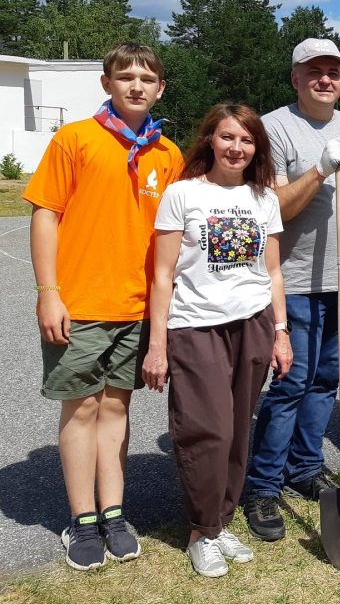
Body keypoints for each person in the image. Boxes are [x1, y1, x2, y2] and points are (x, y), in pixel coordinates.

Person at [24, 43, 183, 570]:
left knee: (116, 406)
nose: (136, 85)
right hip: (80, 302)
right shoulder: (76, 139)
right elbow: (45, 214)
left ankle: (113, 512)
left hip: (137, 307)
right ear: (106, 84)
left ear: (160, 88)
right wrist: (49, 293)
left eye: (147, 78)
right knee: (82, 407)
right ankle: (82, 519)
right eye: (125, 76)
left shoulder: (168, 153)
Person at [242, 38, 340, 542]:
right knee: (289, 383)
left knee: (328, 381)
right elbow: (274, 208)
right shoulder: (273, 128)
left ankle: (303, 468)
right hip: (296, 282)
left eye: (334, 72)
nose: (326, 80)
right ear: (296, 78)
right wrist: (320, 168)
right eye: (314, 72)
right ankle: (261, 485)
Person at [145, 104, 291, 577]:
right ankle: (200, 530)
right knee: (206, 431)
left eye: (246, 140)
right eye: (228, 137)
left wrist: (280, 331)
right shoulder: (182, 195)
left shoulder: (263, 198)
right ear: (210, 139)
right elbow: (162, 275)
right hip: (195, 327)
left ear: (256, 148)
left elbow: (272, 271)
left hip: (252, 323)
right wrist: (157, 344)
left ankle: (222, 521)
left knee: (237, 430)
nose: (237, 148)